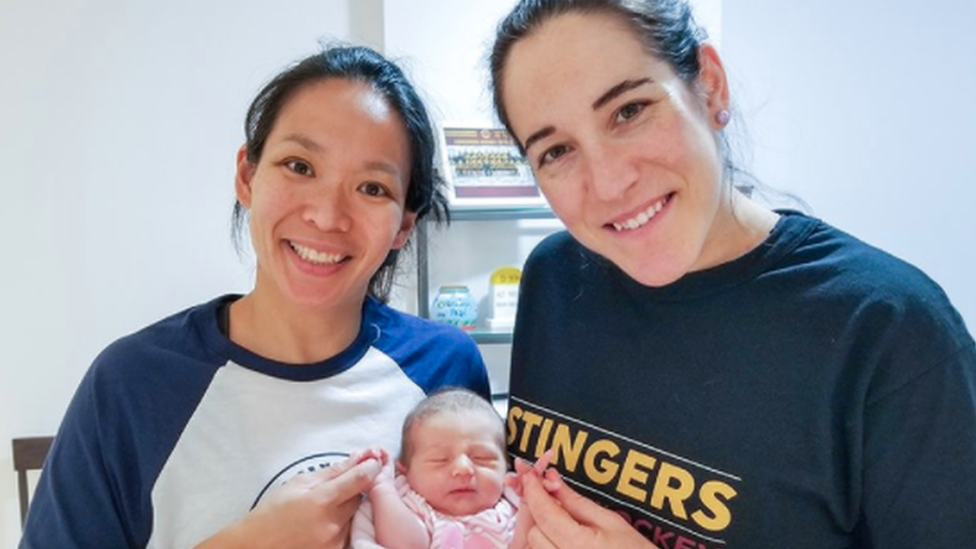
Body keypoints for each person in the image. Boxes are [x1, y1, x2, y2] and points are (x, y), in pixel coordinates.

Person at [488, 1, 976, 548]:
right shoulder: (554, 278)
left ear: (711, 88)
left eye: (629, 111)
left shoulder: (888, 331)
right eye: (556, 150)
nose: (607, 184)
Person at [21, 45, 490, 549]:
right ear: (247, 175)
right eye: (299, 165)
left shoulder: (445, 370)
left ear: (403, 224)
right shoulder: (131, 385)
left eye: (372, 188)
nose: (327, 216)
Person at [352, 388, 529, 549]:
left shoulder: (510, 509)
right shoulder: (412, 506)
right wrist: (382, 490)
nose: (463, 469)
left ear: (505, 466)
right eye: (440, 460)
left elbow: (529, 542)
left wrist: (531, 503)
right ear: (406, 471)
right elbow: (405, 545)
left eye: (482, 458)